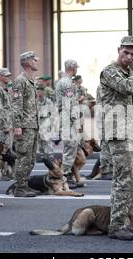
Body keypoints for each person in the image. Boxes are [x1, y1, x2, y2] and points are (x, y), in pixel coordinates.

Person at [99, 35, 133, 241]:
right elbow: (127, 88)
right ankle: (117, 225)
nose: (128, 57)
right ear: (118, 50)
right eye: (125, 52)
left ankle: (123, 221)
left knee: (128, 179)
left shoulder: (127, 73)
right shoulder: (110, 71)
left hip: (126, 133)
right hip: (116, 133)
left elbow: (131, 108)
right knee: (123, 180)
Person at [10, 51, 41, 197]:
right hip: (24, 125)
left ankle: (25, 183)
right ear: (27, 62)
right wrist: (17, 125)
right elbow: (17, 105)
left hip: (33, 124)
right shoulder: (20, 81)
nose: (37, 61)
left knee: (31, 158)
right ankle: (19, 187)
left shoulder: (31, 80)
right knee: (23, 156)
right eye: (34, 59)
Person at [56, 59, 81, 188]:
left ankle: (67, 175)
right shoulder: (67, 83)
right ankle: (65, 175)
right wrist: (76, 122)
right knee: (70, 148)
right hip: (68, 120)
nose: (77, 70)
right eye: (76, 67)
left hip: (65, 118)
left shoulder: (64, 81)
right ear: (72, 68)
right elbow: (69, 104)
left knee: (70, 148)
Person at [0, 68, 14, 148]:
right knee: (3, 151)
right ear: (0, 77)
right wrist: (4, 126)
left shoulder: (7, 90)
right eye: (6, 76)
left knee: (9, 150)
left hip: (9, 124)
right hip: (3, 127)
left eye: (8, 76)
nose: (8, 77)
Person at [36, 86, 56, 161]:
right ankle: (40, 155)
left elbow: (53, 112)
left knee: (47, 140)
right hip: (37, 122)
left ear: (43, 93)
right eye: (38, 92)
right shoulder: (35, 101)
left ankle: (49, 155)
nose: (39, 94)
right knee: (39, 140)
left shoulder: (48, 101)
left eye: (40, 92)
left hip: (46, 121)